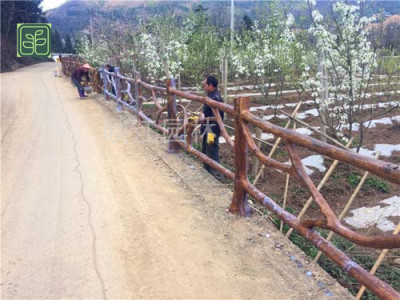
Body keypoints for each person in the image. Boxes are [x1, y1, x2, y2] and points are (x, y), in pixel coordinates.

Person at [200, 75, 224, 179]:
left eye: (205, 85)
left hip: (211, 131)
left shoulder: (215, 98)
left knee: (212, 151)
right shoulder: (211, 96)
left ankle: (218, 175)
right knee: (206, 149)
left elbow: (215, 117)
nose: (204, 87)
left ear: (210, 85)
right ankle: (207, 171)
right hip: (208, 128)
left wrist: (203, 118)